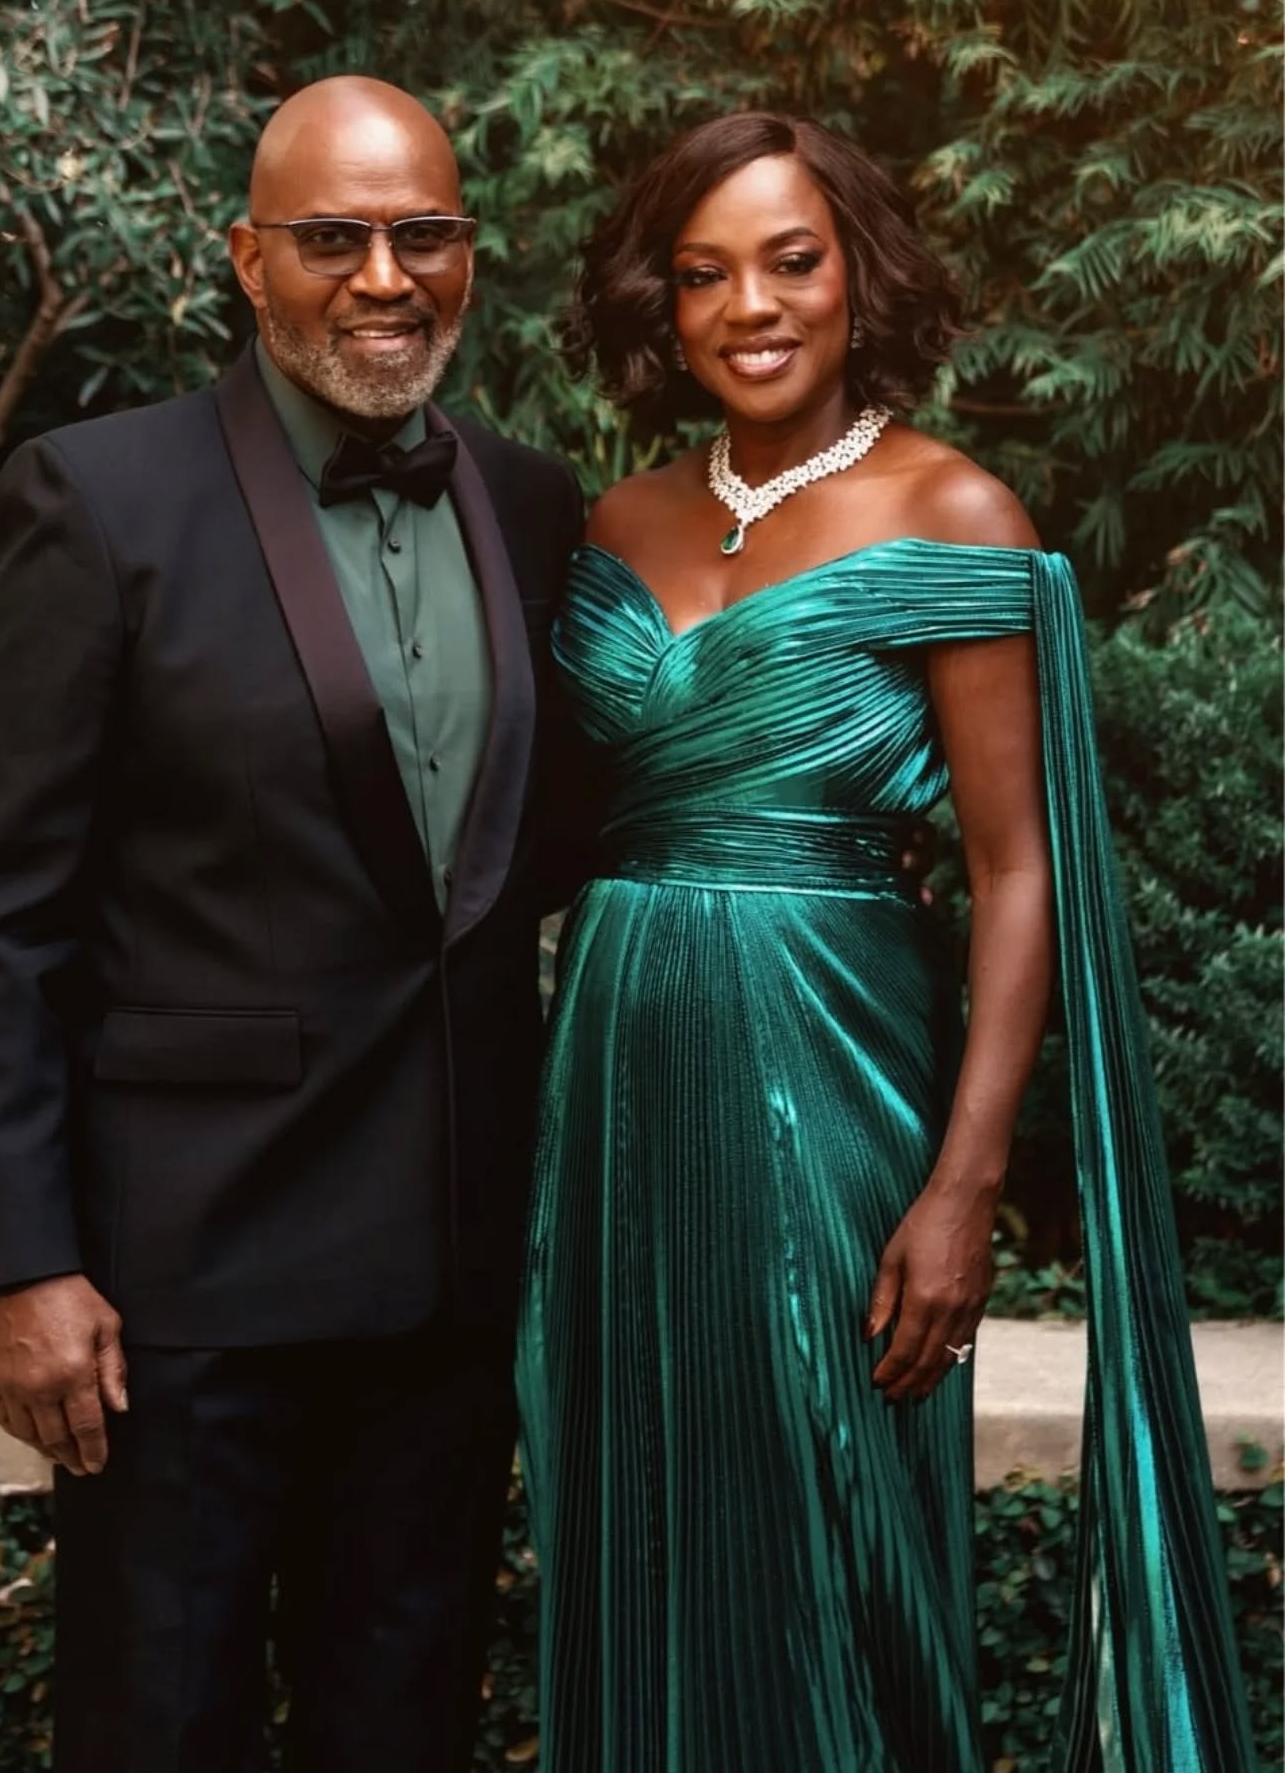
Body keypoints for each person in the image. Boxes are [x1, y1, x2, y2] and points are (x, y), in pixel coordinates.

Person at [514, 111, 1255, 1772]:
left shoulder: (955, 513)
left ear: (859, 276)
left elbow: (1017, 871)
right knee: (631, 1497)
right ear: (666, 304)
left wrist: (966, 1180)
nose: (751, 307)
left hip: (830, 1062)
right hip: (620, 1074)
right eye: (705, 275)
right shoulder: (612, 523)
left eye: (792, 260)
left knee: (831, 1508)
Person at [0, 76, 588, 1773]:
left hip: (444, 1278)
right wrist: (22, 1261)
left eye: (421, 233)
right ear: (248, 261)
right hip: (180, 1288)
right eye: (333, 238)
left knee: (406, 1726)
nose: (383, 275)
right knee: (160, 1727)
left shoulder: (528, 502)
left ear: (468, 256)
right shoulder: (100, 500)